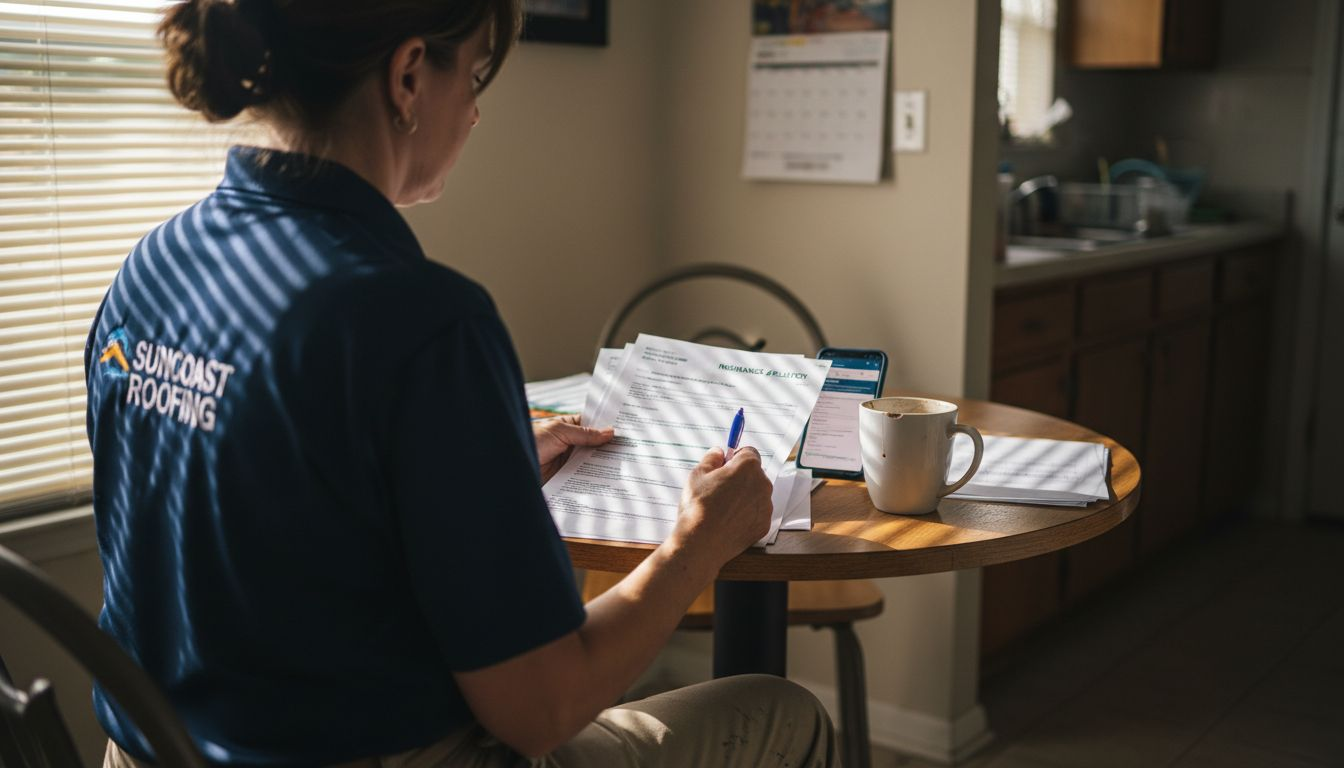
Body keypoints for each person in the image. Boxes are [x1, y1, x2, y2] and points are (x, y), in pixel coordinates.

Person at [84, 1, 838, 766]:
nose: (476, 114)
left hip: (149, 751)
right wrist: (696, 545)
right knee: (785, 711)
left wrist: (477, 459)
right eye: (475, 75)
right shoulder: (418, 320)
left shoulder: (153, 266)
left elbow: (285, 505)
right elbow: (542, 708)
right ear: (408, 76)